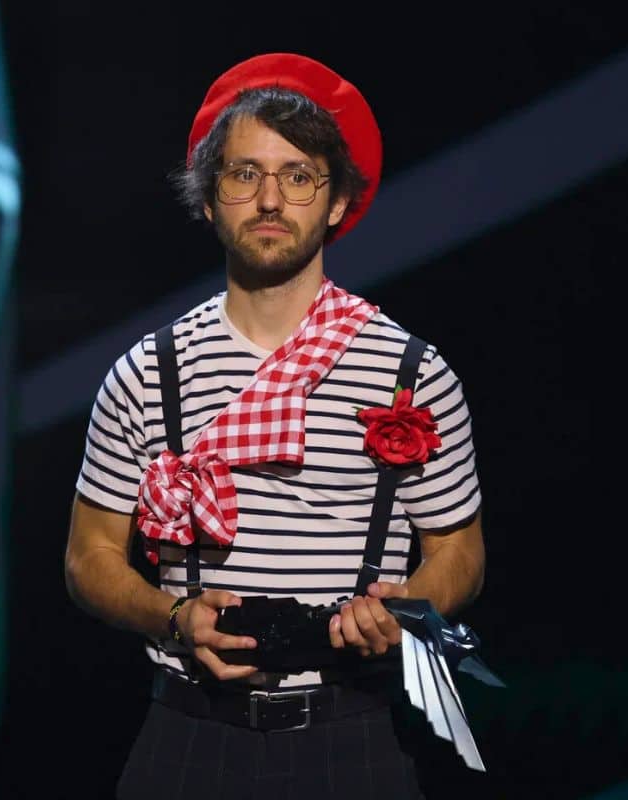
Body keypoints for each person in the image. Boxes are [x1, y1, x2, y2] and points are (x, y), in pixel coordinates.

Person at [65, 52, 486, 799]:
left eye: (297, 176)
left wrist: (405, 610)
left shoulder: (411, 372)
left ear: (335, 203)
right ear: (208, 199)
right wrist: (172, 616)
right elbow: (90, 556)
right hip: (189, 736)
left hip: (352, 736)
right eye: (242, 174)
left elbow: (458, 552)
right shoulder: (145, 372)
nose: (269, 199)